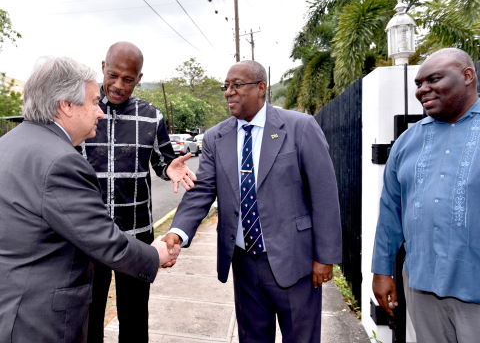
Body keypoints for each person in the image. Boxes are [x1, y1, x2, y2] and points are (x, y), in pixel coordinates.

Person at [0, 56, 180, 343]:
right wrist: (155, 253)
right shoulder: (60, 160)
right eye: (94, 102)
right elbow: (102, 239)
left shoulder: (8, 143)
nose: (101, 112)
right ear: (66, 106)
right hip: (41, 320)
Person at [164, 60, 342, 342]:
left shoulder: (300, 127)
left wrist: (325, 257)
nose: (228, 92)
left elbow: (324, 194)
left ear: (261, 88)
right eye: (226, 86)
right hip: (245, 264)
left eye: (237, 85)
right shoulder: (215, 137)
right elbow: (202, 190)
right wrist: (178, 231)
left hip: (294, 261)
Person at [76, 42, 196, 343]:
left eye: (128, 79)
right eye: (113, 75)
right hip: (88, 235)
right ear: (103, 67)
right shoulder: (81, 111)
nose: (118, 85)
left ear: (139, 78)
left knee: (134, 320)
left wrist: (170, 166)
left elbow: (162, 160)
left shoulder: (151, 117)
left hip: (136, 236)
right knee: (87, 320)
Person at [372, 48, 480, 342]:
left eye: (434, 79)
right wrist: (382, 271)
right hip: (422, 286)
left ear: (467, 76)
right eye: (419, 83)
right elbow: (390, 211)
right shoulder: (408, 141)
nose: (422, 90)